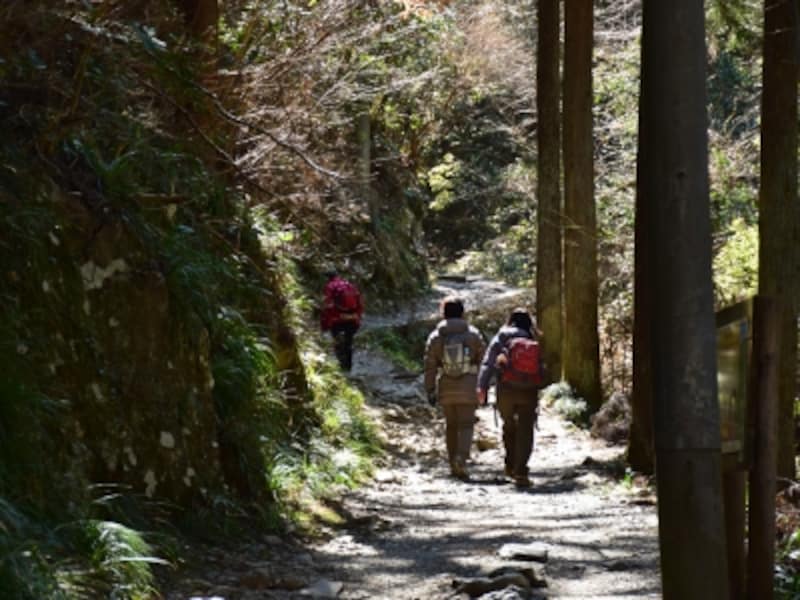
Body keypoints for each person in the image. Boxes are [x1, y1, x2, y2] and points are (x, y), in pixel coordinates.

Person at [477, 307, 545, 488]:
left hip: (506, 389)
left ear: (510, 320)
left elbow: (488, 362)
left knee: (509, 425)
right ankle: (521, 471)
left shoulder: (502, 336)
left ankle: (509, 464)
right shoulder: (532, 338)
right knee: (526, 429)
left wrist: (482, 386)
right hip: (528, 390)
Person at [423, 296, 486, 481]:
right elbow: (484, 361)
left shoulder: (436, 336)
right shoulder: (473, 334)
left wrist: (430, 389)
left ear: (443, 313)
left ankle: (452, 462)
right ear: (462, 312)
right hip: (469, 385)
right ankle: (462, 459)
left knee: (451, 425)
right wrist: (483, 386)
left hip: (446, 386)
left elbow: (430, 365)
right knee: (466, 424)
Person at [320, 269, 363, 371]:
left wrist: (325, 323)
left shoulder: (330, 286)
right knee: (348, 342)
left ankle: (341, 366)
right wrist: (357, 316)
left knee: (337, 341)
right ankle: (348, 367)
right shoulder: (349, 285)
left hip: (338, 319)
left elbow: (327, 305)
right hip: (352, 318)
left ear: (327, 278)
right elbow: (360, 303)